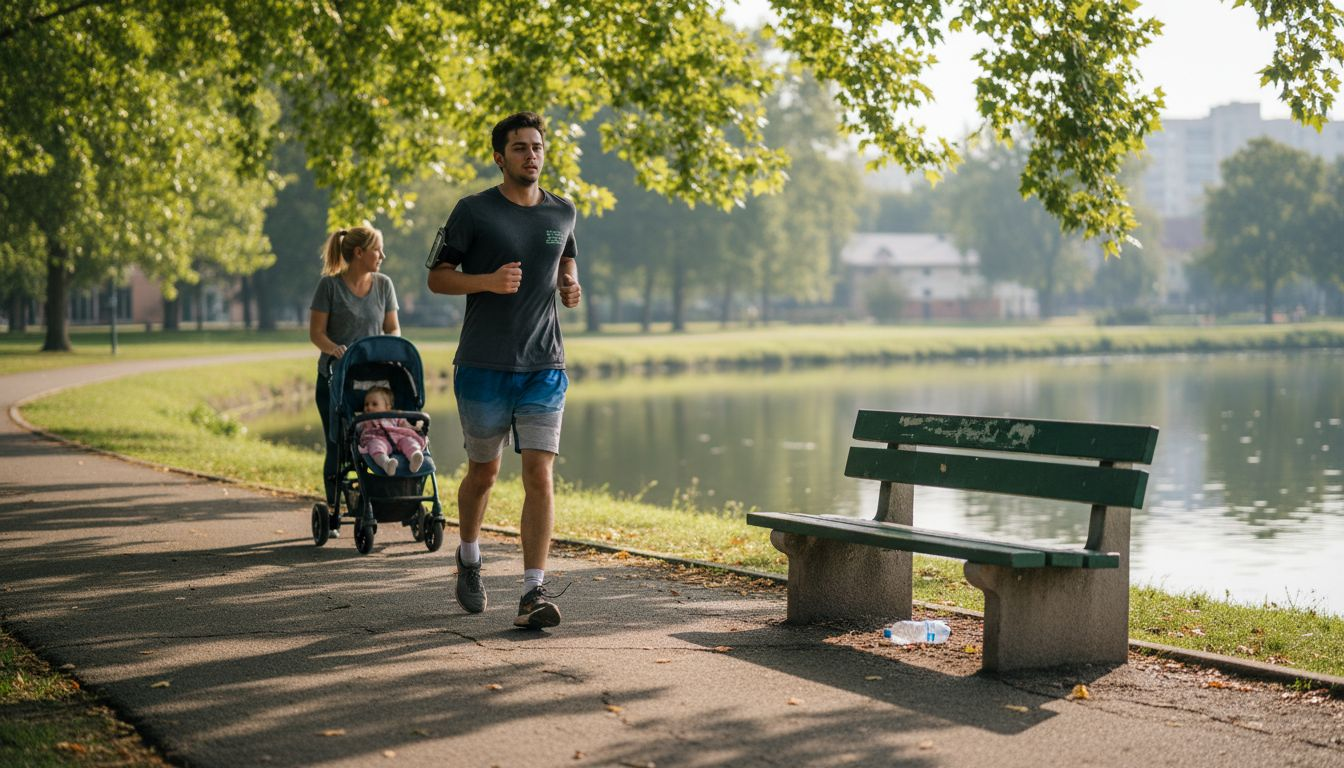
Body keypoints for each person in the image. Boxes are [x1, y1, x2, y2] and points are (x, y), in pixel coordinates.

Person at [426, 111, 582, 629]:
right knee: (484, 472)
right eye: (519, 148)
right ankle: (469, 559)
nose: (530, 155)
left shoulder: (563, 212)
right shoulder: (473, 212)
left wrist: (570, 284)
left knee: (539, 472)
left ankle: (533, 592)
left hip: (544, 364)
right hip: (483, 364)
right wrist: (487, 282)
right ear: (499, 157)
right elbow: (438, 279)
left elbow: (565, 257)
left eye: (537, 146)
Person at [309, 225, 401, 522]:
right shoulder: (330, 287)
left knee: (381, 439)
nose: (382, 256)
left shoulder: (384, 285)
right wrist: (335, 349)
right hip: (335, 380)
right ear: (359, 253)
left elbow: (393, 328)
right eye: (378, 250)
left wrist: (391, 346)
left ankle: (373, 500)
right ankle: (334, 507)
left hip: (373, 384)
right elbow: (316, 333)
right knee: (337, 445)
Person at [357, 385, 426, 475]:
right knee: (375, 446)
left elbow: (406, 426)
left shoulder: (394, 416)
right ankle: (386, 463)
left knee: (409, 441)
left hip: (398, 437)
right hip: (377, 437)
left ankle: (415, 456)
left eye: (374, 404)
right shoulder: (365, 420)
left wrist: (415, 427)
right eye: (366, 404)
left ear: (388, 407)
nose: (369, 407)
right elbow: (357, 428)